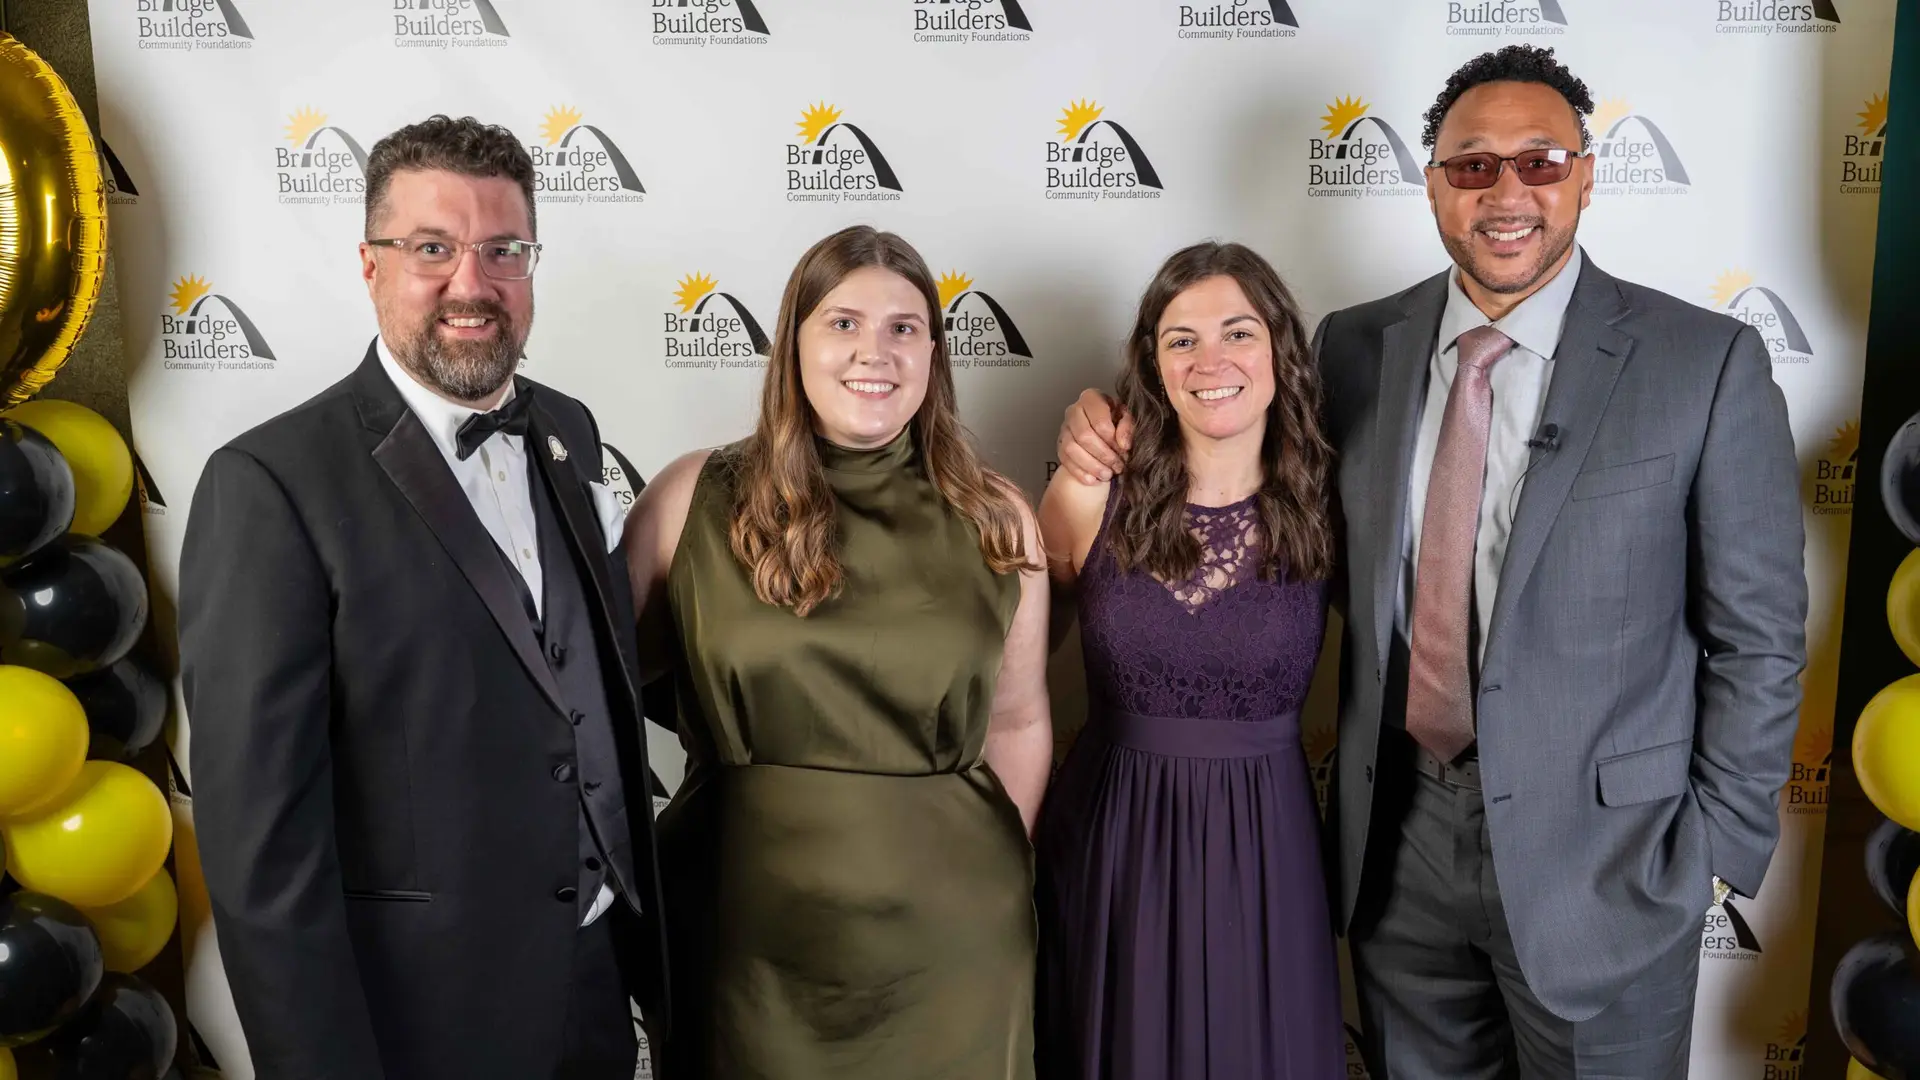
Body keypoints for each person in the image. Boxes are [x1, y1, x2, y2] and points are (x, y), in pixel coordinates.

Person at [1055, 45, 1808, 1078]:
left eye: (1540, 162)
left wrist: (1716, 852)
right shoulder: (1353, 348)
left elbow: (1759, 636)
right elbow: (1223, 436)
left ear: (1586, 176)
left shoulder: (1703, 364)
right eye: (1473, 165)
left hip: (1610, 873)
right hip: (1397, 853)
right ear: (1435, 186)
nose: (1507, 192)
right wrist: (1101, 420)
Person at [179, 115, 669, 1080]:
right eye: (432, 249)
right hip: (420, 1021)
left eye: (504, 250)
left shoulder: (568, 430)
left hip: (593, 991)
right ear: (371, 265)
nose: (472, 284)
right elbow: (261, 857)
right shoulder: (269, 484)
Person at [622, 224, 1053, 1078]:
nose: (874, 351)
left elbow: (1017, 719)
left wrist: (987, 874)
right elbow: (589, 699)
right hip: (740, 939)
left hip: (953, 946)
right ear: (793, 342)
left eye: (904, 327)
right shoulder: (690, 497)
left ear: (934, 352)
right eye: (844, 322)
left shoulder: (997, 515)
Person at [1032, 241, 1346, 1078]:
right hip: (1111, 846)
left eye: (1238, 332)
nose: (1212, 361)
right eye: (1182, 340)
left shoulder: (1331, 502)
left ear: (1279, 349)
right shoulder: (1089, 489)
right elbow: (1009, 680)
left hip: (1267, 851)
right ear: (1153, 365)